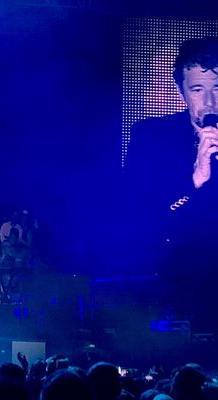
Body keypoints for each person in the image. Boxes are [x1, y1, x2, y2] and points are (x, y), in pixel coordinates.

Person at [125, 37, 218, 327]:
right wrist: (193, 184)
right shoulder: (150, 138)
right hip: (175, 286)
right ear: (182, 93)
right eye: (198, 89)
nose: (210, 102)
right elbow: (136, 218)